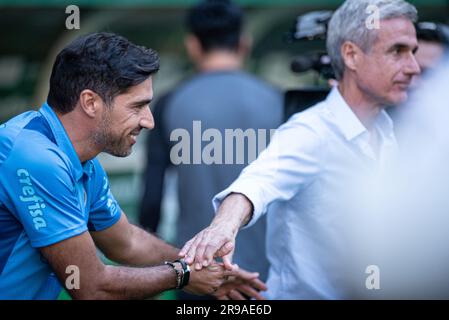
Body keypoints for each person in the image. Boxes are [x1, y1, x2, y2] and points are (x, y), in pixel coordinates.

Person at [179, 0, 421, 299]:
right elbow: (257, 182)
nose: (413, 67)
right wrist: (222, 227)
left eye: (413, 52)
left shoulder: (389, 132)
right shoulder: (311, 132)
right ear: (351, 55)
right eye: (397, 51)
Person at [0, 32, 265, 300]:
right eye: (137, 106)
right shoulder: (35, 158)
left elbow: (127, 242)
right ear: (91, 102)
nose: (148, 121)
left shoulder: (81, 162)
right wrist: (182, 274)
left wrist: (199, 264)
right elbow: (91, 286)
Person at [138, 0, 282, 299]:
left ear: (193, 45)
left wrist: (151, 270)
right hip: (268, 279)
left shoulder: (168, 103)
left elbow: (151, 198)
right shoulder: (279, 101)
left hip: (197, 275)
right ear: (244, 43)